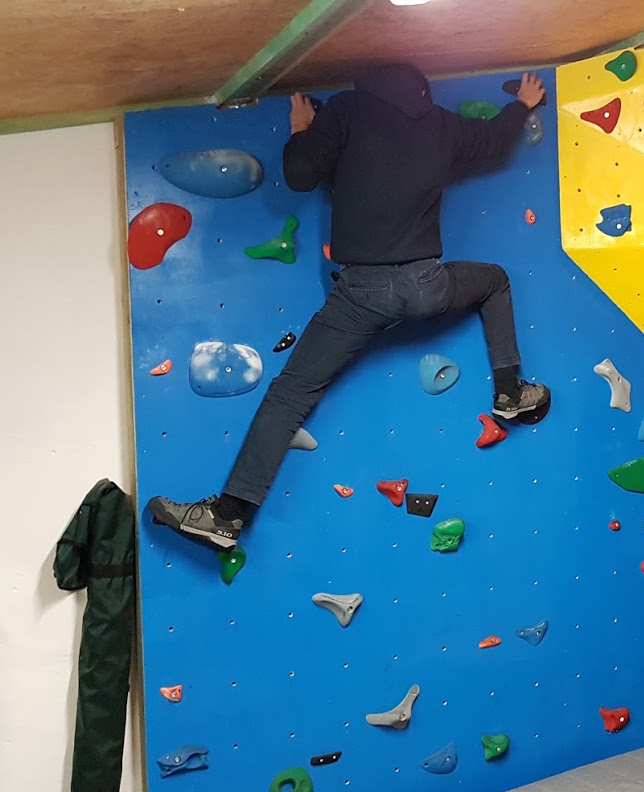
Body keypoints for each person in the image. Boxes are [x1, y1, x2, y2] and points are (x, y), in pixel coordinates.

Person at [147, 64, 550, 550]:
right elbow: (493, 139)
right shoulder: (442, 124)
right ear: (422, 92)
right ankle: (509, 392)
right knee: (495, 280)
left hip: (362, 294)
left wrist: (301, 130)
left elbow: (300, 176)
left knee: (291, 394)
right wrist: (521, 105)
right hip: (427, 286)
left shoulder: (349, 110)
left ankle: (228, 516)